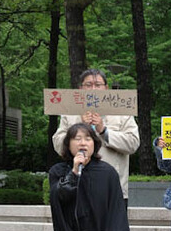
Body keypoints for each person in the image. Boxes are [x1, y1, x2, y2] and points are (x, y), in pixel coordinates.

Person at [52, 69, 140, 204]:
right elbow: (58, 145)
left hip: (112, 189)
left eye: (98, 85)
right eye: (88, 85)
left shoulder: (122, 113)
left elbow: (133, 143)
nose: (93, 89)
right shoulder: (70, 114)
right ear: (81, 89)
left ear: (106, 88)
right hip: (77, 186)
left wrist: (103, 130)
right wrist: (79, 127)